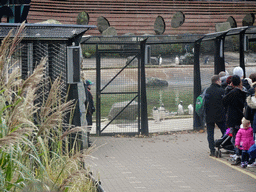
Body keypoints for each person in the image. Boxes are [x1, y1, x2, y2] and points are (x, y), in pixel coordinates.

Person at [222, 75, 247, 165]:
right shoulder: (243, 91)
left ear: (232, 83)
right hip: (240, 116)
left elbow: (224, 101)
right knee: (238, 136)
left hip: (233, 117)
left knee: (235, 138)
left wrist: (228, 88)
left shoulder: (233, 92)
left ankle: (238, 155)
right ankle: (239, 154)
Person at [205, 75, 226, 156]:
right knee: (225, 131)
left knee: (210, 133)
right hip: (220, 115)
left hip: (209, 115)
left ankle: (212, 150)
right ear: (217, 81)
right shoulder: (221, 91)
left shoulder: (207, 90)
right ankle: (223, 144)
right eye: (220, 80)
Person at [84, 80, 95, 146]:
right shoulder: (87, 92)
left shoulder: (87, 92)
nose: (90, 86)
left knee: (89, 125)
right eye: (89, 85)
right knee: (88, 125)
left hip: (89, 112)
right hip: (88, 112)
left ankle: (87, 140)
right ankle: (87, 141)